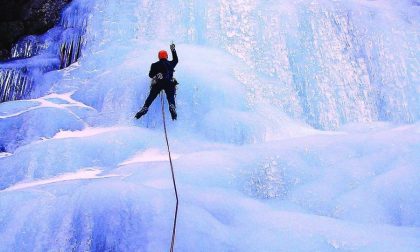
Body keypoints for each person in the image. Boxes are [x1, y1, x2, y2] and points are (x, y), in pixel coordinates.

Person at [135, 43, 178, 120]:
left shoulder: (154, 65)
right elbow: (176, 60)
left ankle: (145, 107)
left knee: (151, 96)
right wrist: (173, 50)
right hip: (169, 82)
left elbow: (151, 75)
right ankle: (172, 106)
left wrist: (157, 75)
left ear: (159, 57)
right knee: (170, 96)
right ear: (166, 56)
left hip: (158, 83)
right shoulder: (171, 63)